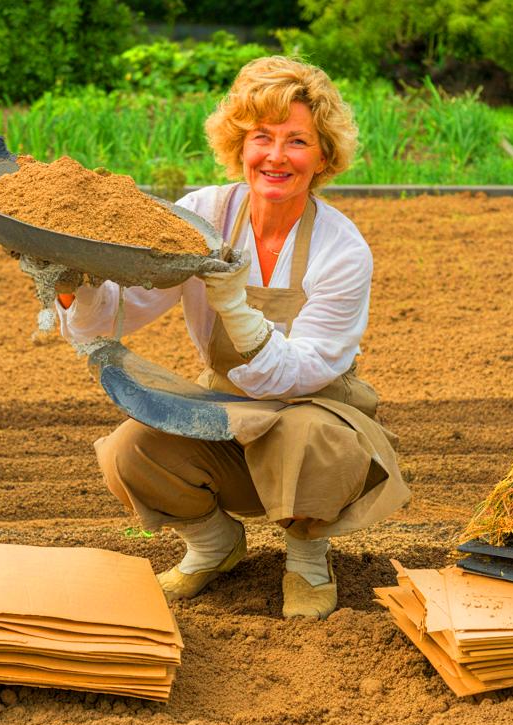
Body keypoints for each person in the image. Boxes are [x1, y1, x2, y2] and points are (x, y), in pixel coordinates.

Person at [54, 56, 409, 620]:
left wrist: (232, 304)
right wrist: (76, 284)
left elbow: (295, 375)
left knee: (309, 435)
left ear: (322, 156)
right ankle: (214, 545)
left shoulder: (342, 251)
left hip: (312, 408)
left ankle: (308, 557)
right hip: (227, 402)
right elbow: (125, 310)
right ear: (238, 145)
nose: (275, 156)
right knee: (132, 448)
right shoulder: (203, 213)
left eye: (297, 141)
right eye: (261, 137)